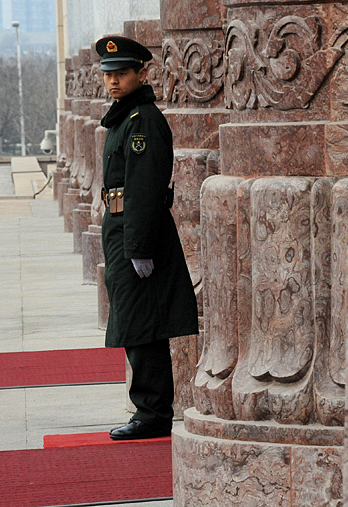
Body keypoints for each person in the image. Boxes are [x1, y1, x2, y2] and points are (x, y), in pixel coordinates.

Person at [96, 35, 198, 440]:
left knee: (141, 325)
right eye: (109, 76)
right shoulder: (124, 118)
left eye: (121, 74)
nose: (113, 82)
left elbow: (145, 187)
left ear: (141, 73)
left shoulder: (143, 121)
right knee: (137, 322)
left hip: (136, 233)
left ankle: (152, 413)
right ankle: (150, 410)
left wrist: (139, 247)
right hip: (121, 228)